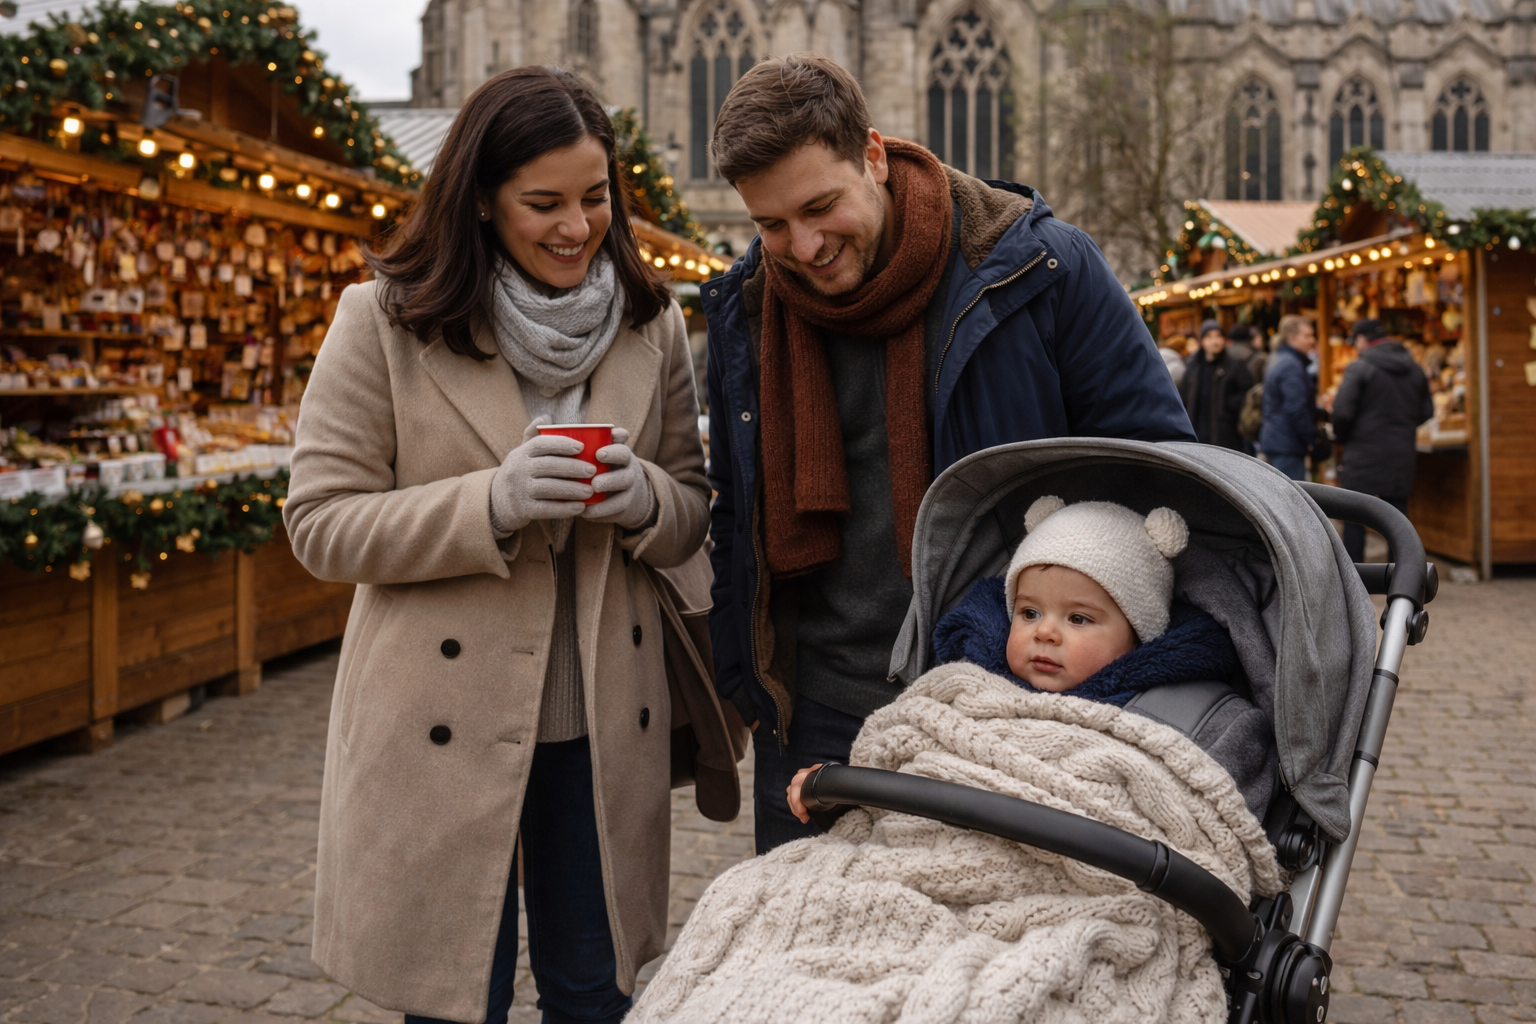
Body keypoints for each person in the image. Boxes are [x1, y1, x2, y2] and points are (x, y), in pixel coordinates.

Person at [282, 68, 711, 1024]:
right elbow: (318, 522)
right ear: (483, 200)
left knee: (596, 997)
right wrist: (490, 503)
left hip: (604, 725)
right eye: (543, 203)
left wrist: (646, 499)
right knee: (451, 1002)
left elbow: (694, 509)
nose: (576, 226)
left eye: (596, 197)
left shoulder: (653, 323)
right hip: (438, 719)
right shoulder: (385, 320)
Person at [699, 53, 1196, 855]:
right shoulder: (747, 306)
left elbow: (1161, 472)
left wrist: (1105, 678)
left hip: (1006, 704)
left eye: (820, 206)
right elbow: (735, 505)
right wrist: (744, 678)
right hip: (813, 710)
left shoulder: (1042, 266)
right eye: (771, 224)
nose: (804, 244)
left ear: (871, 154)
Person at [787, 495, 1277, 825]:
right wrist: (847, 781)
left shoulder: (1188, 715)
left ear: (1138, 636)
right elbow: (908, 740)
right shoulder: (969, 684)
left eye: (1079, 619)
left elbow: (1221, 812)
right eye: (1029, 612)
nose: (1044, 631)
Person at [1330, 318, 1434, 562]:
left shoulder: (1360, 367)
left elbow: (1342, 412)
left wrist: (1343, 438)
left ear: (1362, 340)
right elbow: (1427, 412)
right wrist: (1402, 429)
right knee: (1398, 520)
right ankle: (1402, 579)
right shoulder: (1415, 368)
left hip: (1362, 453)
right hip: (1401, 453)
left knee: (1355, 515)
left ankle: (1356, 578)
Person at [1259, 314, 1319, 481]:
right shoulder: (1291, 365)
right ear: (1291, 338)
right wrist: (1312, 440)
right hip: (1287, 445)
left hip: (1277, 440)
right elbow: (1296, 408)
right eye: (1307, 336)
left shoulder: (1277, 357)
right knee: (1291, 501)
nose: (1312, 340)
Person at [1180, 319, 1254, 450]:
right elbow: (1183, 397)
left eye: (1218, 336)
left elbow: (1249, 394)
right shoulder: (1193, 366)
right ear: (1202, 340)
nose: (1215, 341)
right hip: (1197, 435)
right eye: (1209, 337)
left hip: (1227, 435)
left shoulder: (1234, 365)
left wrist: (1231, 404)